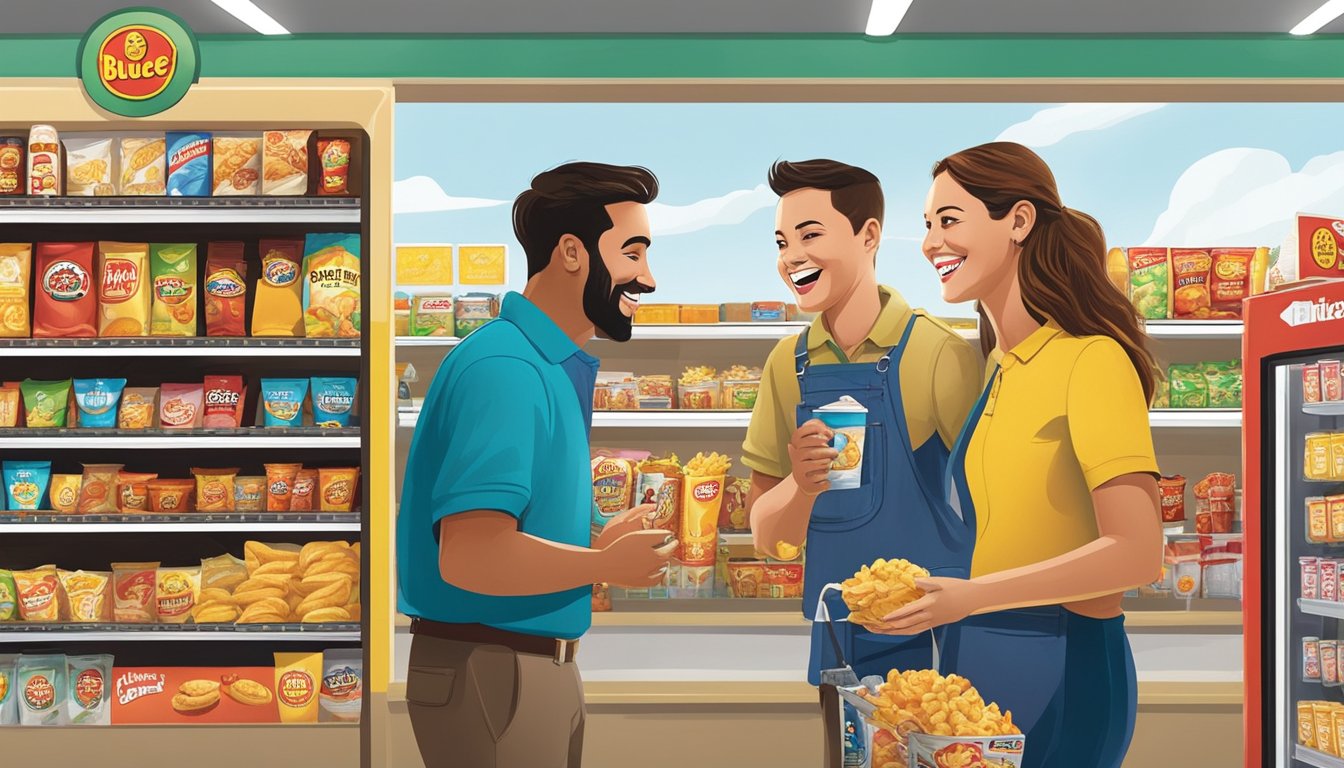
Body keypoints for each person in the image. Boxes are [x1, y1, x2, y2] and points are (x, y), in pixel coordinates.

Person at [871, 142, 1163, 768]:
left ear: (1020, 222)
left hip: (1066, 658)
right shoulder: (1000, 367)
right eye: (927, 225)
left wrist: (973, 596)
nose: (930, 242)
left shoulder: (1091, 359)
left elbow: (1138, 552)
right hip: (976, 657)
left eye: (949, 220)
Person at [396, 162, 679, 768]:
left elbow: (514, 526)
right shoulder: (508, 370)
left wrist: (598, 542)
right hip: (493, 670)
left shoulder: (545, 362)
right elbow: (470, 553)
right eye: (632, 254)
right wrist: (603, 564)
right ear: (572, 252)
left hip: (525, 667)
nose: (647, 278)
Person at [742, 159, 981, 765]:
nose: (792, 255)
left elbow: (995, 508)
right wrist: (801, 487)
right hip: (841, 639)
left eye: (811, 234)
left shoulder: (937, 354)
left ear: (869, 235)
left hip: (939, 640)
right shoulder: (787, 365)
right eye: (782, 241)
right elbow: (768, 535)